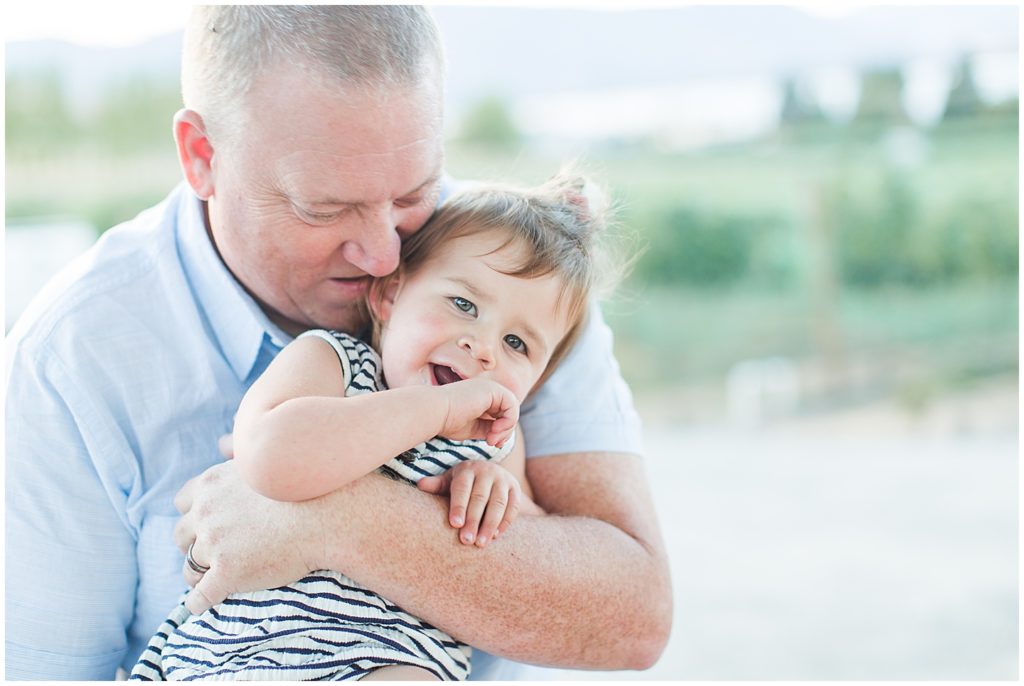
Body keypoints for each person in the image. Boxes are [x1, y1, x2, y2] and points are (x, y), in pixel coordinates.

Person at [5, 6, 671, 681]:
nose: (385, 255)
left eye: (414, 193)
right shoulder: (72, 360)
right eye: (323, 209)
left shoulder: (509, 281)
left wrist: (335, 521)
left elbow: (634, 621)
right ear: (201, 158)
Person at [131, 173, 610, 681]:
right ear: (390, 297)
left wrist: (499, 493)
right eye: (463, 305)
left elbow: (530, 569)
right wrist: (437, 410)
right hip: (249, 652)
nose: (484, 347)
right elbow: (269, 456)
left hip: (392, 664)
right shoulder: (335, 364)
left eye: (517, 344)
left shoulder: (492, 438)